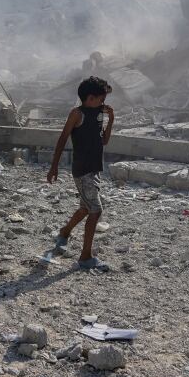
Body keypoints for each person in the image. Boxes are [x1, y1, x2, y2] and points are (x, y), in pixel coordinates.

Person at [47, 76, 114, 271]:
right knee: (96, 210)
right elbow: (62, 139)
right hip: (83, 170)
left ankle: (65, 232)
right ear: (91, 98)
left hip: (94, 169)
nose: (104, 102)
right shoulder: (77, 114)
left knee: (86, 208)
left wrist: (111, 120)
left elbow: (104, 141)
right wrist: (54, 167)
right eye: (101, 98)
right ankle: (85, 257)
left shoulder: (100, 112)